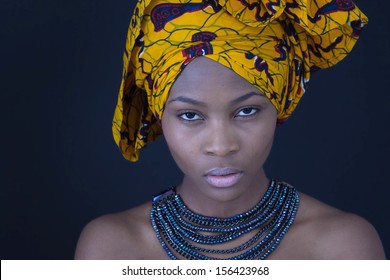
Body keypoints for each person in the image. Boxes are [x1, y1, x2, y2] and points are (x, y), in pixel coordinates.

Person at [75, 0, 385, 259]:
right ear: (159, 116)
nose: (221, 146)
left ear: (281, 104)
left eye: (246, 111)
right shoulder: (111, 249)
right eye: (190, 115)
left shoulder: (343, 248)